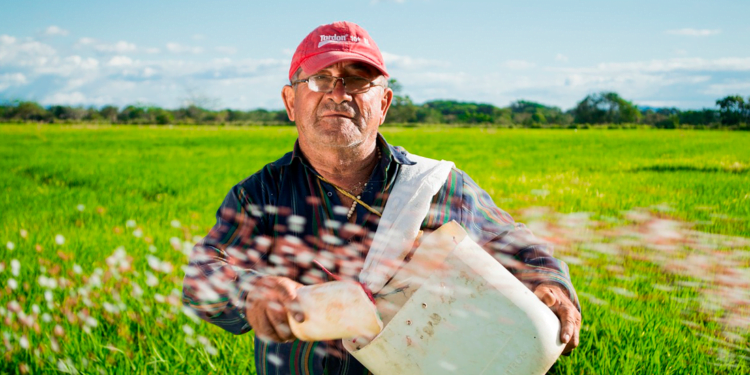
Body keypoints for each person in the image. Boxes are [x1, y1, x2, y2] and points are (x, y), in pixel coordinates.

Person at [182, 21, 581, 374]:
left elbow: (516, 244)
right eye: (320, 79)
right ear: (291, 102)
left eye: (357, 80)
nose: (338, 93)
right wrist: (251, 291)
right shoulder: (261, 194)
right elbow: (202, 276)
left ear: (384, 104)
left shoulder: (434, 185)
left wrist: (550, 282)